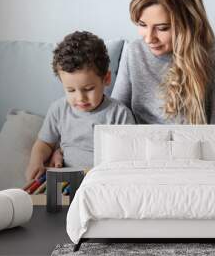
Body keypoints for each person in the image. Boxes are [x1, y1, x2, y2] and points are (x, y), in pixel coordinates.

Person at [112, 0, 215, 125]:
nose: (149, 38)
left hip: (195, 148)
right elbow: (114, 119)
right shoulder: (134, 52)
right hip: (141, 147)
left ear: (189, 23)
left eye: (162, 28)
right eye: (142, 25)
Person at [26, 31, 135, 181]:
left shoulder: (119, 114)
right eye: (70, 90)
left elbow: (129, 155)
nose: (80, 98)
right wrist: (36, 161)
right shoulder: (58, 109)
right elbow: (44, 143)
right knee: (39, 201)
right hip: (65, 181)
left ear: (106, 79)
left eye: (88, 89)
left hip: (102, 181)